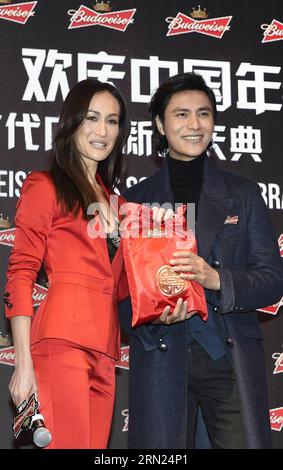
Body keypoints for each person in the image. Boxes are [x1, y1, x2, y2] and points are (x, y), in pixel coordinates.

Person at [119, 72, 283, 449]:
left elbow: (272, 278)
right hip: (161, 357)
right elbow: (119, 293)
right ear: (160, 124)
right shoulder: (135, 201)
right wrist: (152, 313)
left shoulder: (242, 194)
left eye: (203, 113)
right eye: (181, 114)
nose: (194, 125)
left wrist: (217, 279)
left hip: (227, 358)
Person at [4, 78, 131, 449]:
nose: (102, 130)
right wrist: (22, 362)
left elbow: (121, 286)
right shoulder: (45, 186)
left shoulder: (121, 207)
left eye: (112, 121)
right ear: (72, 122)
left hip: (107, 351)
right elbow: (21, 272)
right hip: (61, 343)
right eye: (92, 118)